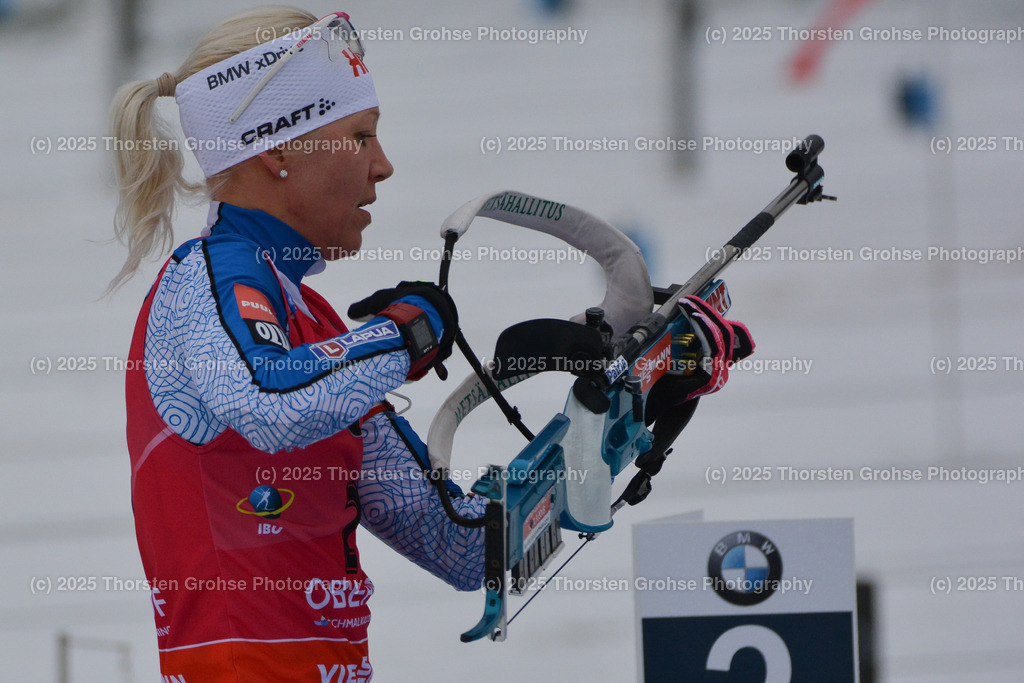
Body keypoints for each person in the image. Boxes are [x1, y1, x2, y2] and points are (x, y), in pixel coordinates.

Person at [110, 7, 753, 681]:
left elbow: (465, 543)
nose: (383, 166)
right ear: (277, 150)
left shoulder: (320, 331)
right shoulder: (201, 280)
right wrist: (405, 332)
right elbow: (269, 401)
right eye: (360, 136)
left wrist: (625, 403)